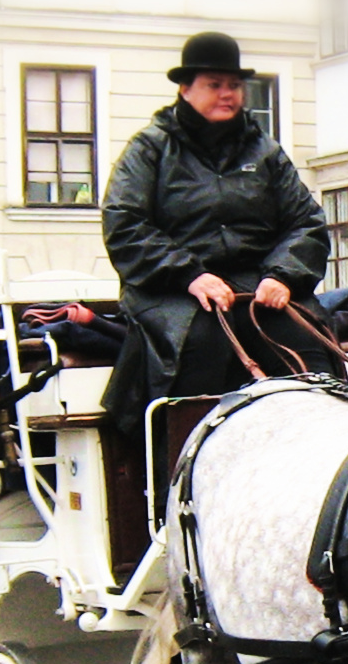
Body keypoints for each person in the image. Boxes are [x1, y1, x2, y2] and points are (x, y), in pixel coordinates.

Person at [100, 30, 334, 436]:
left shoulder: (265, 152)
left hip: (256, 283)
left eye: (234, 86)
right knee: (199, 345)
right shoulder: (149, 149)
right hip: (169, 289)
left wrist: (282, 275)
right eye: (214, 85)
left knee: (307, 344)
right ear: (185, 89)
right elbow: (125, 223)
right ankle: (176, 467)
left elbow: (306, 222)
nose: (227, 94)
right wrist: (190, 275)